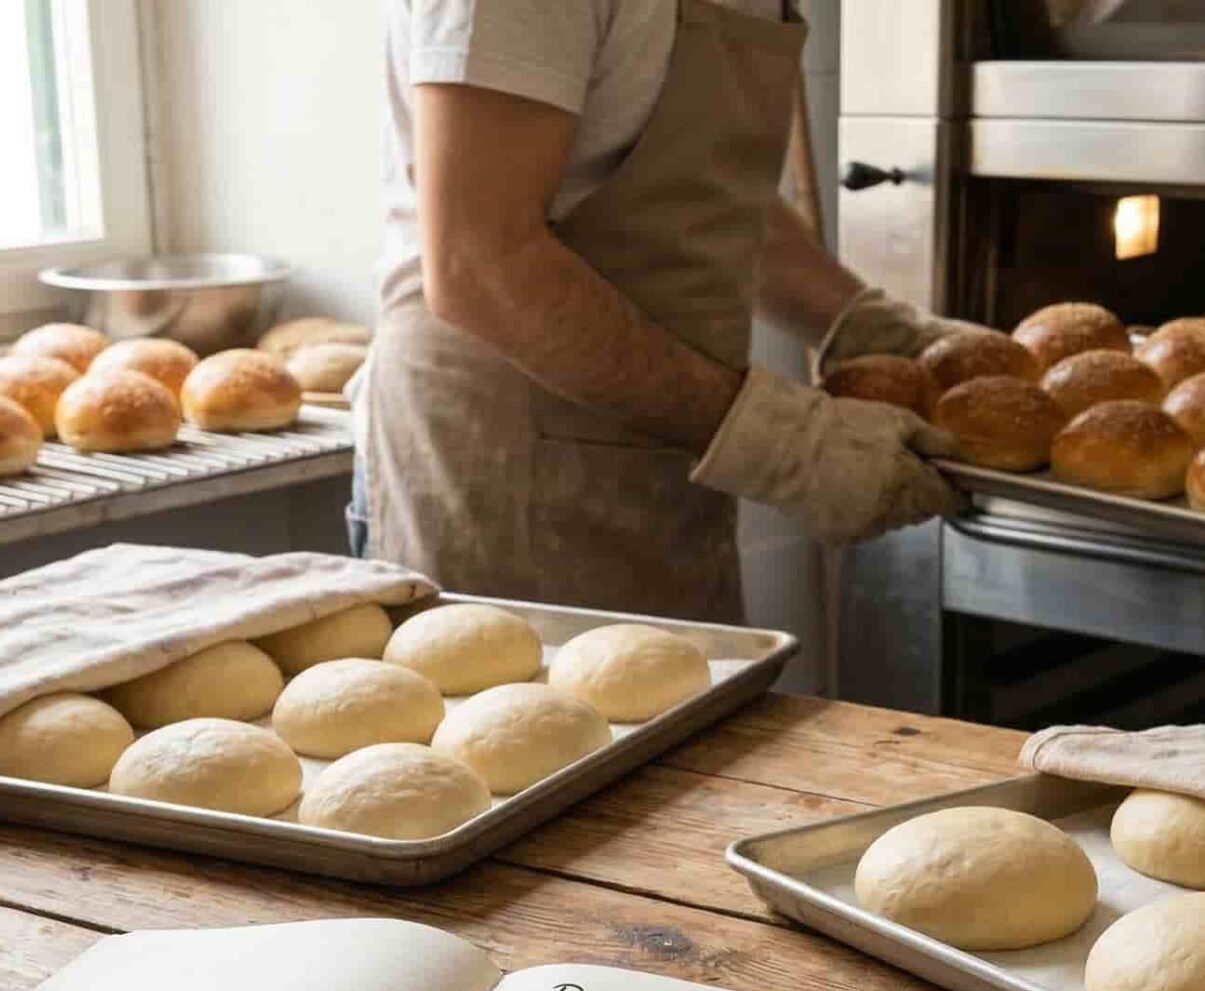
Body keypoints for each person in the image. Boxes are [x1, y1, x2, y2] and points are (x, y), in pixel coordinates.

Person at [361, 0, 972, 623]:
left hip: (670, 441)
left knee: (692, 710)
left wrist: (867, 325)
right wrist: (780, 442)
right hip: (504, 469)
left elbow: (695, 198)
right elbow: (480, 264)